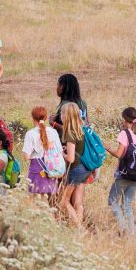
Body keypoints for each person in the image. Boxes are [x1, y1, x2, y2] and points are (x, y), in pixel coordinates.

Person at [55, 74, 97, 228]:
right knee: (78, 199)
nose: (57, 88)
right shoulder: (82, 104)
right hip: (84, 159)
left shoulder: (65, 106)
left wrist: (54, 124)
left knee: (63, 199)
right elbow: (87, 126)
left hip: (72, 161)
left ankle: (76, 226)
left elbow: (70, 156)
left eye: (58, 84)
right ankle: (80, 224)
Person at [106, 107, 136, 235]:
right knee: (127, 205)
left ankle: (123, 227)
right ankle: (131, 234)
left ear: (125, 120)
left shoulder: (125, 133)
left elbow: (119, 154)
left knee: (112, 201)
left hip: (124, 174)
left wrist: (108, 148)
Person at [24, 104, 66, 200]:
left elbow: (26, 157)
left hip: (37, 167)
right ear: (46, 117)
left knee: (35, 200)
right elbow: (59, 151)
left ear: (33, 118)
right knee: (51, 198)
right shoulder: (53, 132)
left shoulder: (30, 134)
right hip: (52, 167)